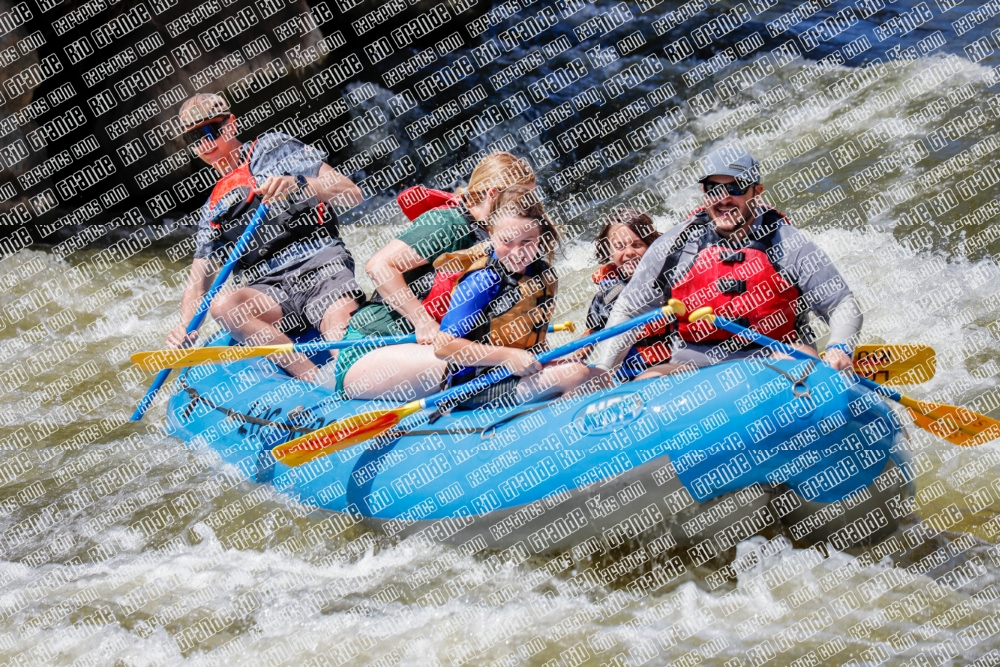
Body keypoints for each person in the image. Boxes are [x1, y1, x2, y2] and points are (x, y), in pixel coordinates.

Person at [591, 146, 861, 379]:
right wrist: (604, 369)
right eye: (714, 188)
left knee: (804, 359)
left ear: (757, 191)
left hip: (776, 358)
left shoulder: (788, 244)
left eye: (736, 187)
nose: (723, 198)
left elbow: (841, 303)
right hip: (694, 366)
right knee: (647, 379)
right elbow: (628, 309)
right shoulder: (677, 245)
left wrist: (839, 347)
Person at [166, 93, 365, 382]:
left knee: (341, 340)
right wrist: (184, 326)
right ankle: (316, 384)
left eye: (209, 131)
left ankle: (355, 378)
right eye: (194, 138)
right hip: (269, 291)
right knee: (222, 304)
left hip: (321, 266)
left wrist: (298, 184)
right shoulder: (213, 208)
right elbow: (198, 286)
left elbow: (351, 193)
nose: (205, 144)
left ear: (231, 125)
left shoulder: (275, 148)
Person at [339, 187, 590, 405]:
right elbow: (445, 345)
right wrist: (509, 357)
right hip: (471, 385)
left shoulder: (542, 275)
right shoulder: (482, 280)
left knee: (591, 373)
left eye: (527, 241)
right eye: (507, 241)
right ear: (491, 232)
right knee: (575, 376)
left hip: (506, 374)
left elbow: (532, 336)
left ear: (540, 237)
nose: (517, 252)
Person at [332, 152, 536, 395]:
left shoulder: (504, 241)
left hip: (432, 350)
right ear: (493, 195)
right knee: (468, 368)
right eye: (521, 200)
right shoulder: (447, 223)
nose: (529, 211)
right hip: (373, 350)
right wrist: (422, 321)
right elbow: (378, 266)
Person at [581, 209, 669, 379]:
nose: (629, 253)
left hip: (671, 366)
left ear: (651, 245)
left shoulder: (668, 280)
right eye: (620, 247)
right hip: (628, 375)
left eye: (637, 245)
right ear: (609, 252)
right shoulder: (606, 296)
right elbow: (591, 334)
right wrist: (574, 361)